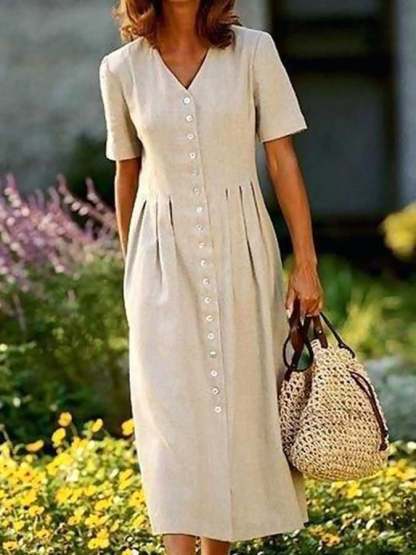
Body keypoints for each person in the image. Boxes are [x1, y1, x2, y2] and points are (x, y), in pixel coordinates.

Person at [98, 1, 324, 554]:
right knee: (171, 411)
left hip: (241, 247)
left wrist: (306, 264)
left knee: (236, 402)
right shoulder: (120, 68)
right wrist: (134, 271)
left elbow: (283, 160)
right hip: (159, 258)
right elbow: (127, 171)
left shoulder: (254, 52)